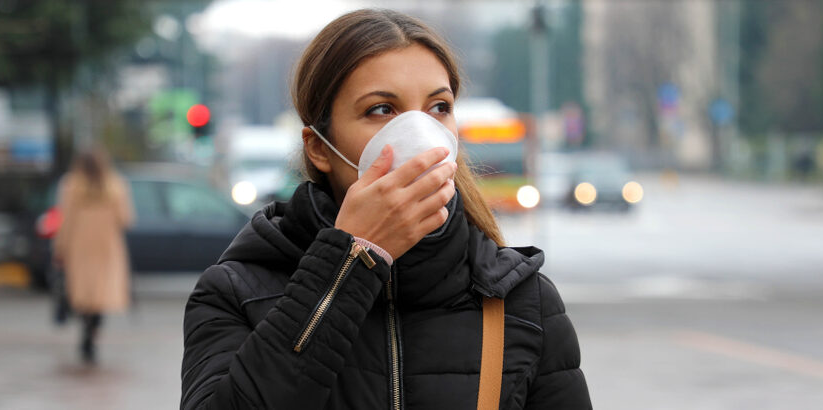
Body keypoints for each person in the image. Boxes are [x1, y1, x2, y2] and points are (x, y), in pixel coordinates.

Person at [181, 9, 590, 409]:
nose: (420, 133)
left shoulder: (523, 301)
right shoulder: (235, 292)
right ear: (320, 148)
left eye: (438, 108)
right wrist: (350, 262)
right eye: (382, 109)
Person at [53, 147, 134, 364]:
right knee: (101, 293)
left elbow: (66, 221)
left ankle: (86, 328)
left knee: (84, 292)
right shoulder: (116, 186)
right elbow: (126, 219)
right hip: (107, 246)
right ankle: (93, 332)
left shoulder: (71, 185)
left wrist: (60, 248)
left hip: (80, 246)